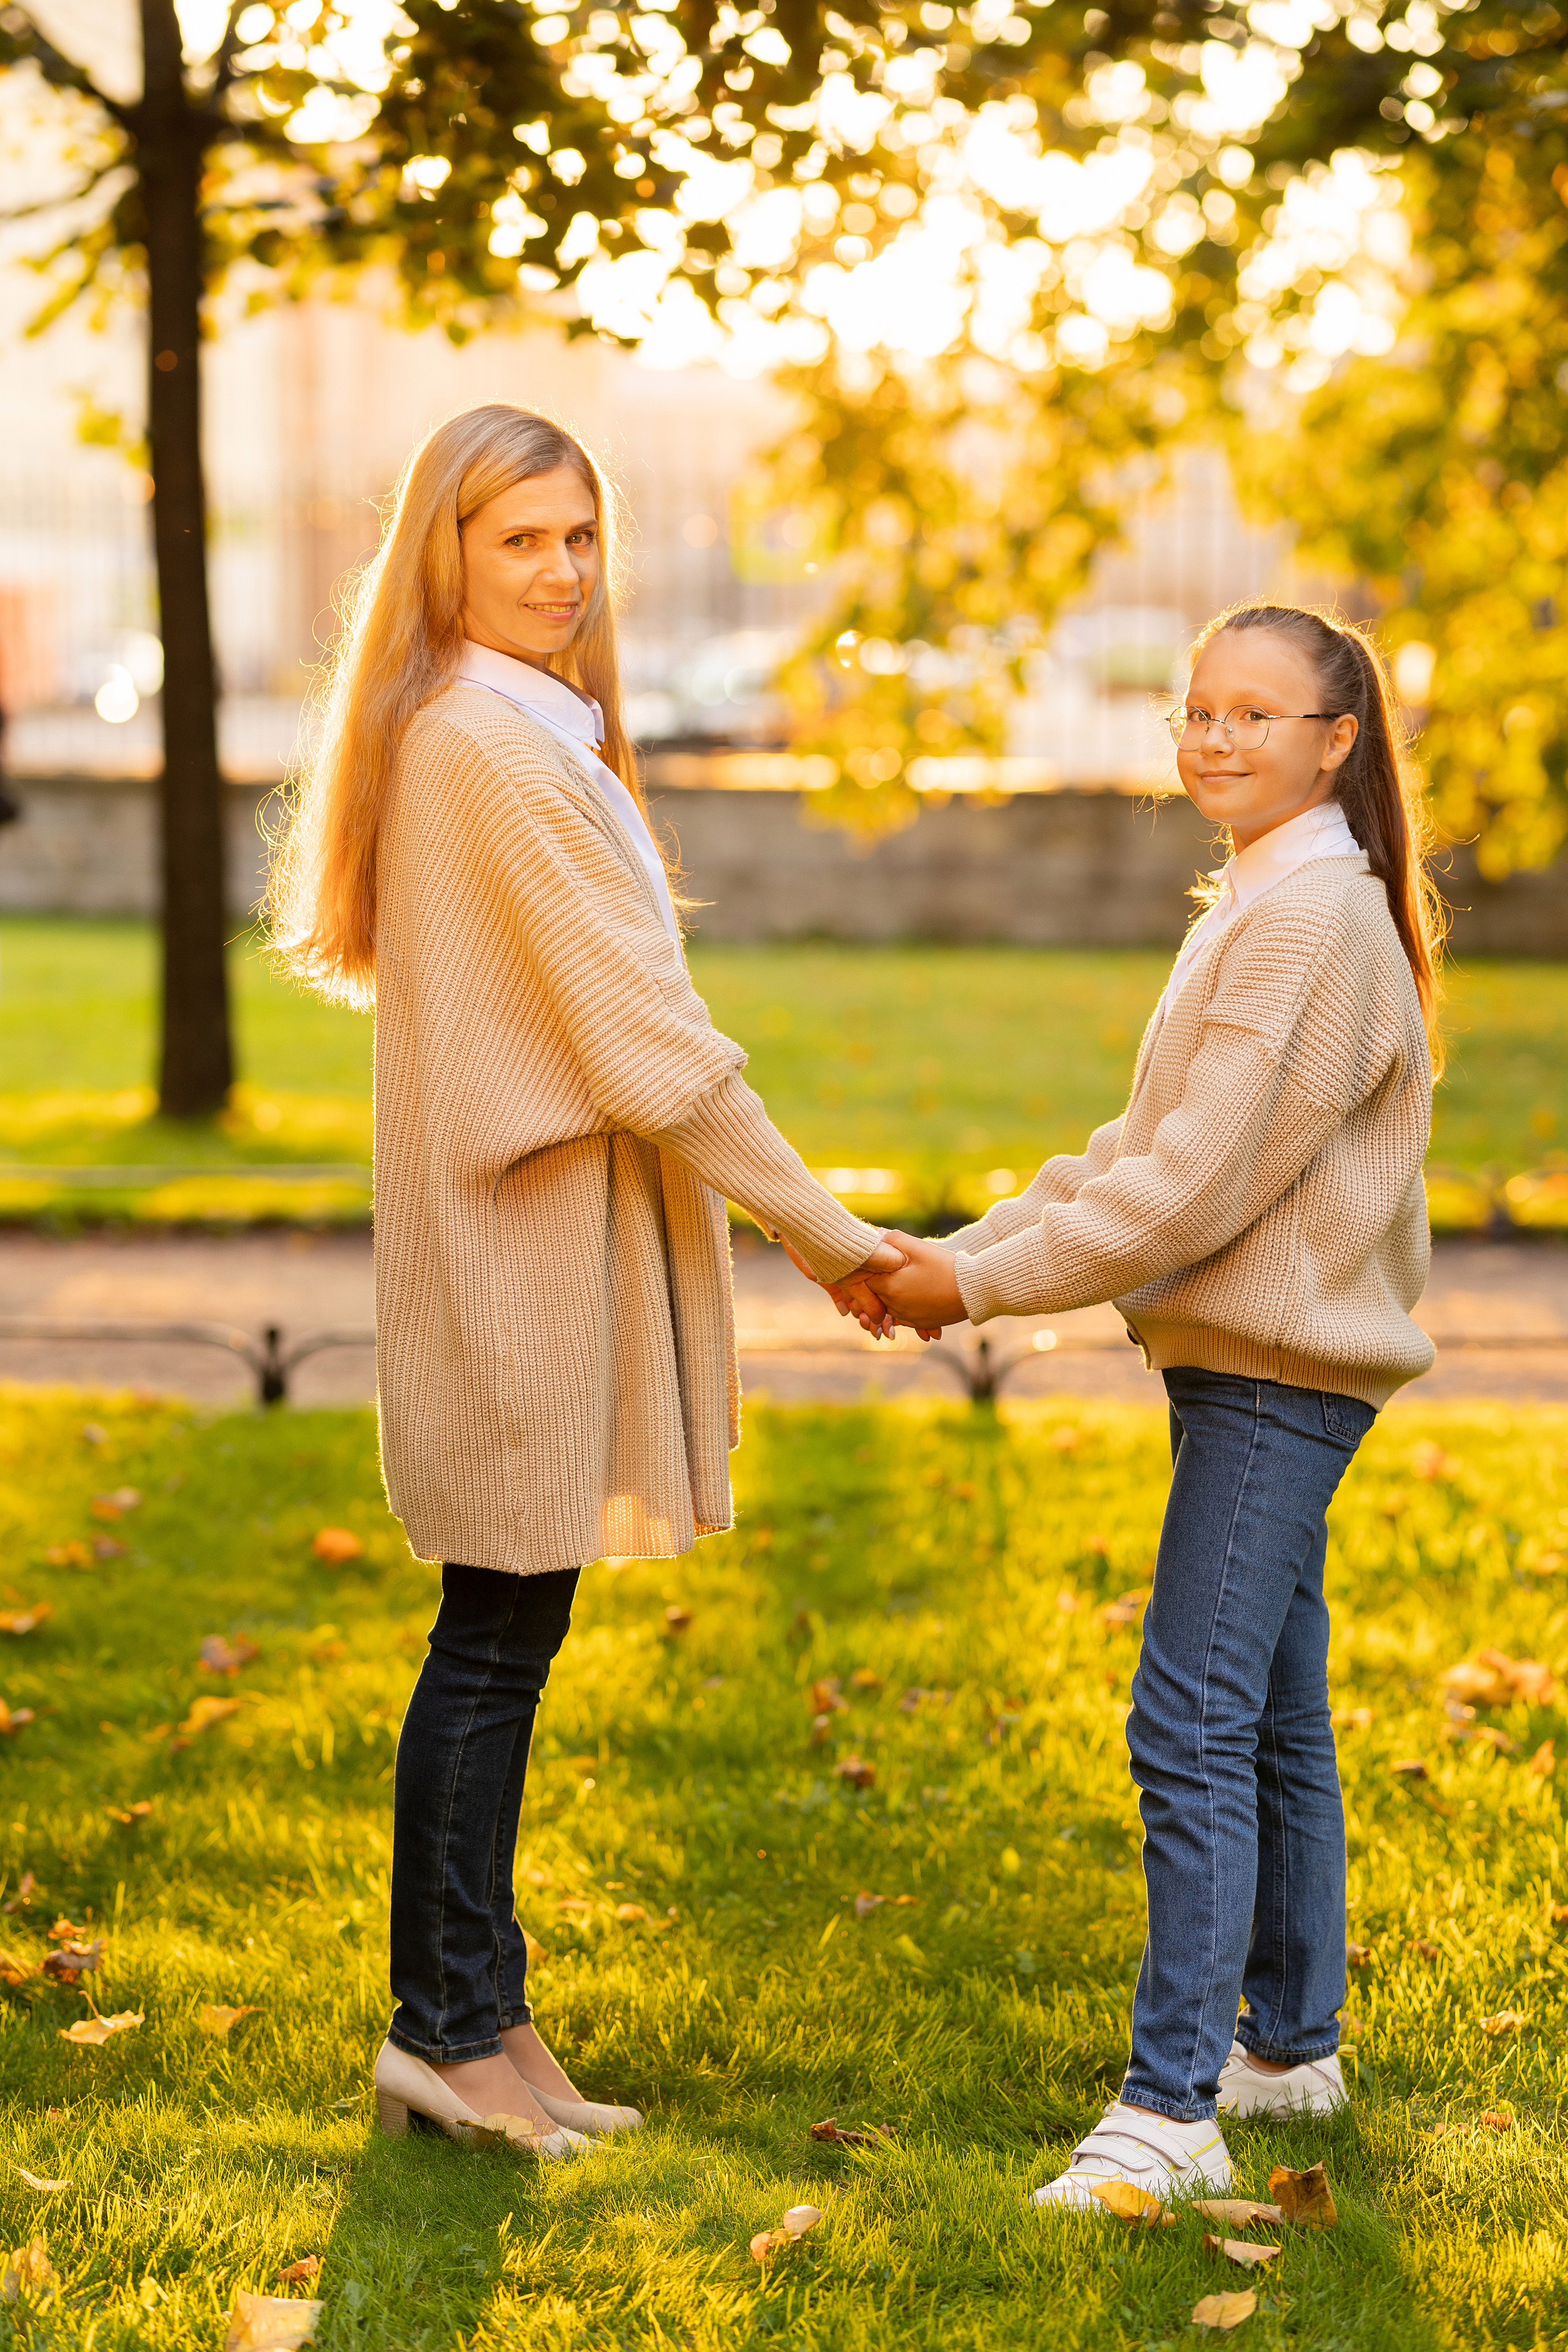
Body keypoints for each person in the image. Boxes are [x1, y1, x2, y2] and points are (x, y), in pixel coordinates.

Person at [268, 402, 902, 2158]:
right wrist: (833, 1237)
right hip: (521, 1248)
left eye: (577, 537)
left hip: (534, 1238)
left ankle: (486, 2020)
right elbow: (655, 1051)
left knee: (510, 1629)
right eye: (517, 540)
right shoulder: (489, 743)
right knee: (491, 1638)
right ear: (445, 558)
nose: (558, 573)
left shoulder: (524, 733)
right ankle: (443, 2035)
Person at [822, 601, 1441, 2206]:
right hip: (1248, 1364)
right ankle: (1289, 2054)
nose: (1216, 738)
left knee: (1187, 1726)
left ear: (1337, 740)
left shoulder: (1311, 923)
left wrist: (970, 1291)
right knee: (1272, 1719)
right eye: (1198, 709)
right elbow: (1131, 1157)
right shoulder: (1265, 901)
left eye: (1256, 713)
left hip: (1274, 1378)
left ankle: (1168, 2114)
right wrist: (956, 1253)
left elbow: (1190, 1195)